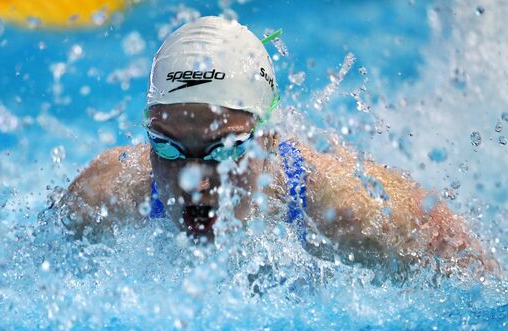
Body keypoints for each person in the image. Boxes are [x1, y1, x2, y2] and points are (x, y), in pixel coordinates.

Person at [56, 16, 498, 277]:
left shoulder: (349, 209)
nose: (194, 179)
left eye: (223, 149)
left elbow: (477, 275)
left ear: (268, 137)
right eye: (169, 149)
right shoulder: (104, 195)